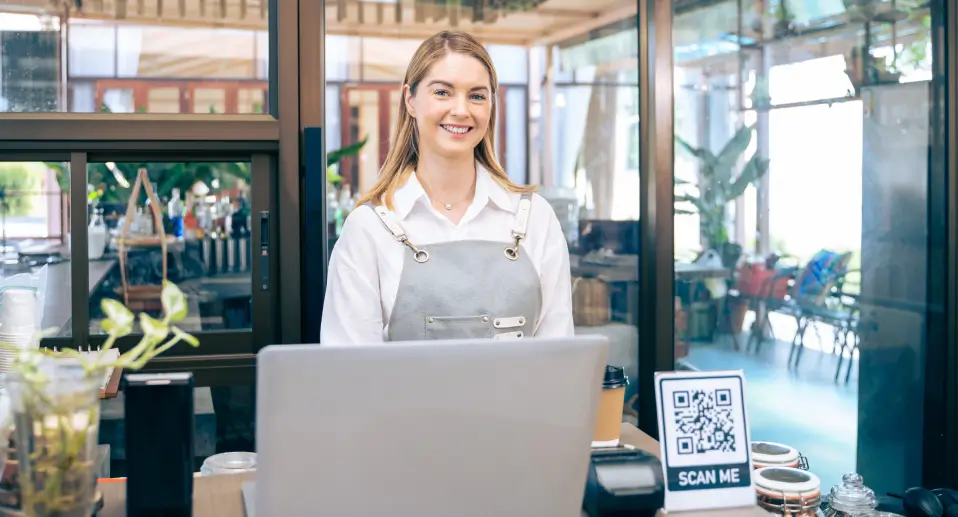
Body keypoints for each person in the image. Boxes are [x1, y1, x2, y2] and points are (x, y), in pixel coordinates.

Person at [320, 30, 573, 345]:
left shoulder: (536, 218)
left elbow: (559, 355)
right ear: (410, 100)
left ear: (491, 106)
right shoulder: (369, 228)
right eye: (443, 92)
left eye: (477, 95)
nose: (461, 110)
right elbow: (349, 371)